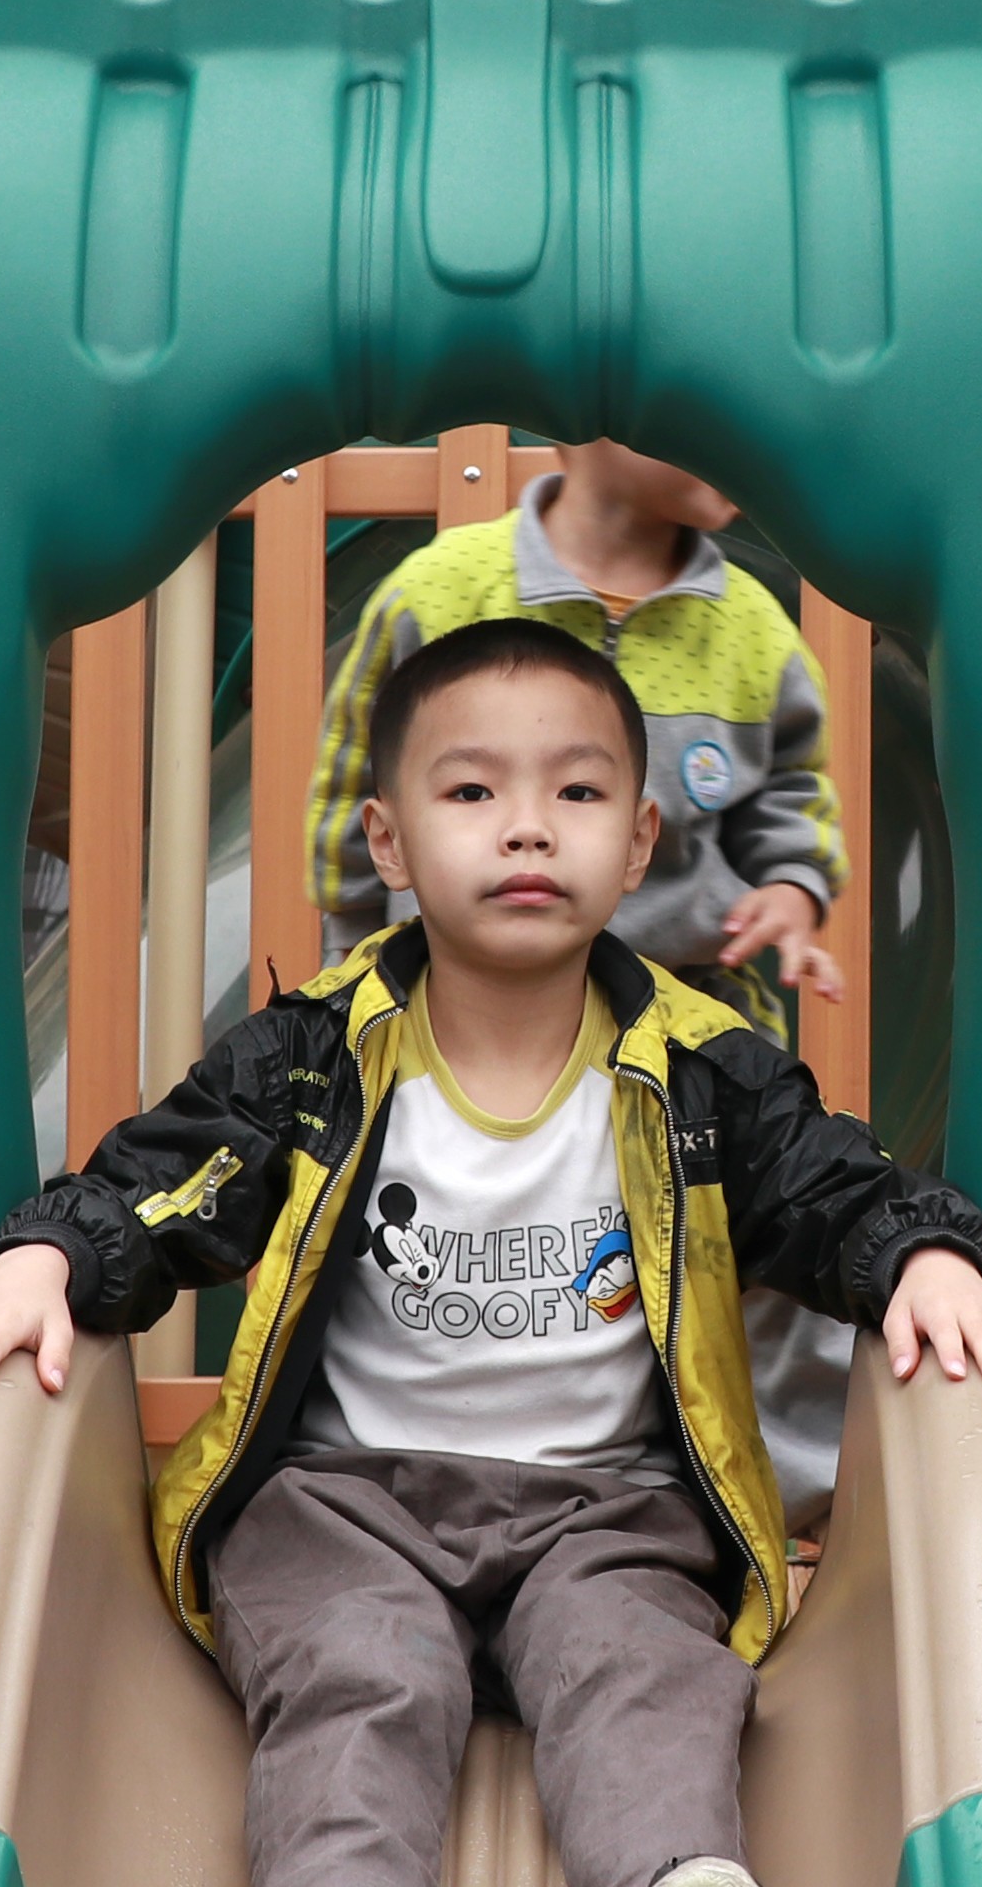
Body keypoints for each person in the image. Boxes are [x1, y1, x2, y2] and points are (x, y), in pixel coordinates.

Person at [0, 615, 982, 1887]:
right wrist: (50, 1258)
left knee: (646, 1677)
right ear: (389, 839)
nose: (526, 827)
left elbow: (826, 1184)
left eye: (577, 796)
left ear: (638, 838)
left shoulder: (697, 1068)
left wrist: (919, 1259)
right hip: (348, 1499)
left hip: (607, 1509)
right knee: (357, 1674)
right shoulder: (318, 1060)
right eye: (472, 793)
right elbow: (173, 1181)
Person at [301, 438, 865, 1513]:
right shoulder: (447, 591)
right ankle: (434, 1457)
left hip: (681, 1023)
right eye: (694, 403)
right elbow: (350, 795)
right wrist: (364, 963)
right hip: (474, 1009)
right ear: (590, 415)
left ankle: (782, 1493)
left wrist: (790, 891)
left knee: (755, 1241)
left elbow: (793, 794)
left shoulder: (749, 626)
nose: (729, 421)